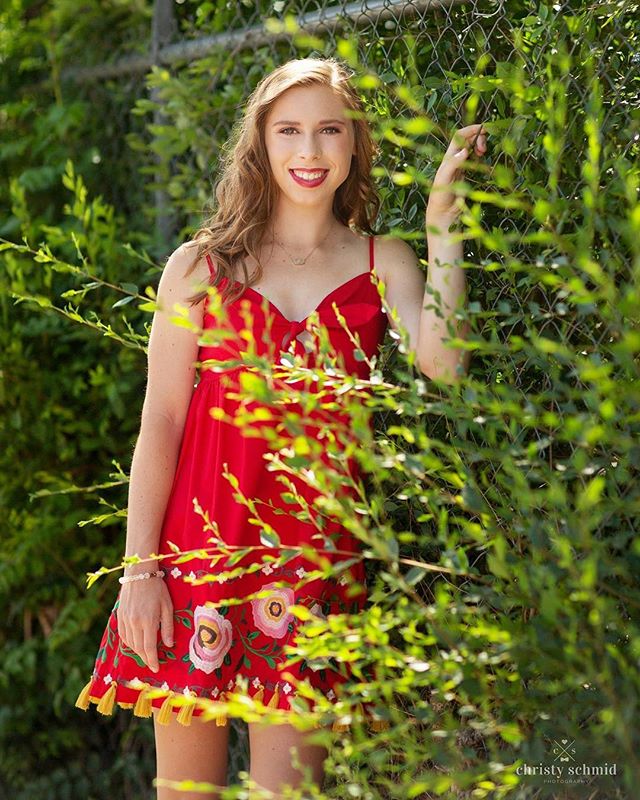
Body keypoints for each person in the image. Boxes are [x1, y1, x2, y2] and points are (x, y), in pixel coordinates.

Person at [75, 56, 487, 799]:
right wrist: (139, 574)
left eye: (329, 131)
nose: (308, 151)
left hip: (313, 569)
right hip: (194, 562)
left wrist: (443, 234)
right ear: (260, 143)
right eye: (289, 130)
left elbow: (445, 365)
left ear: (355, 145)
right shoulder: (199, 266)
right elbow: (162, 422)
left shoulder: (381, 260)